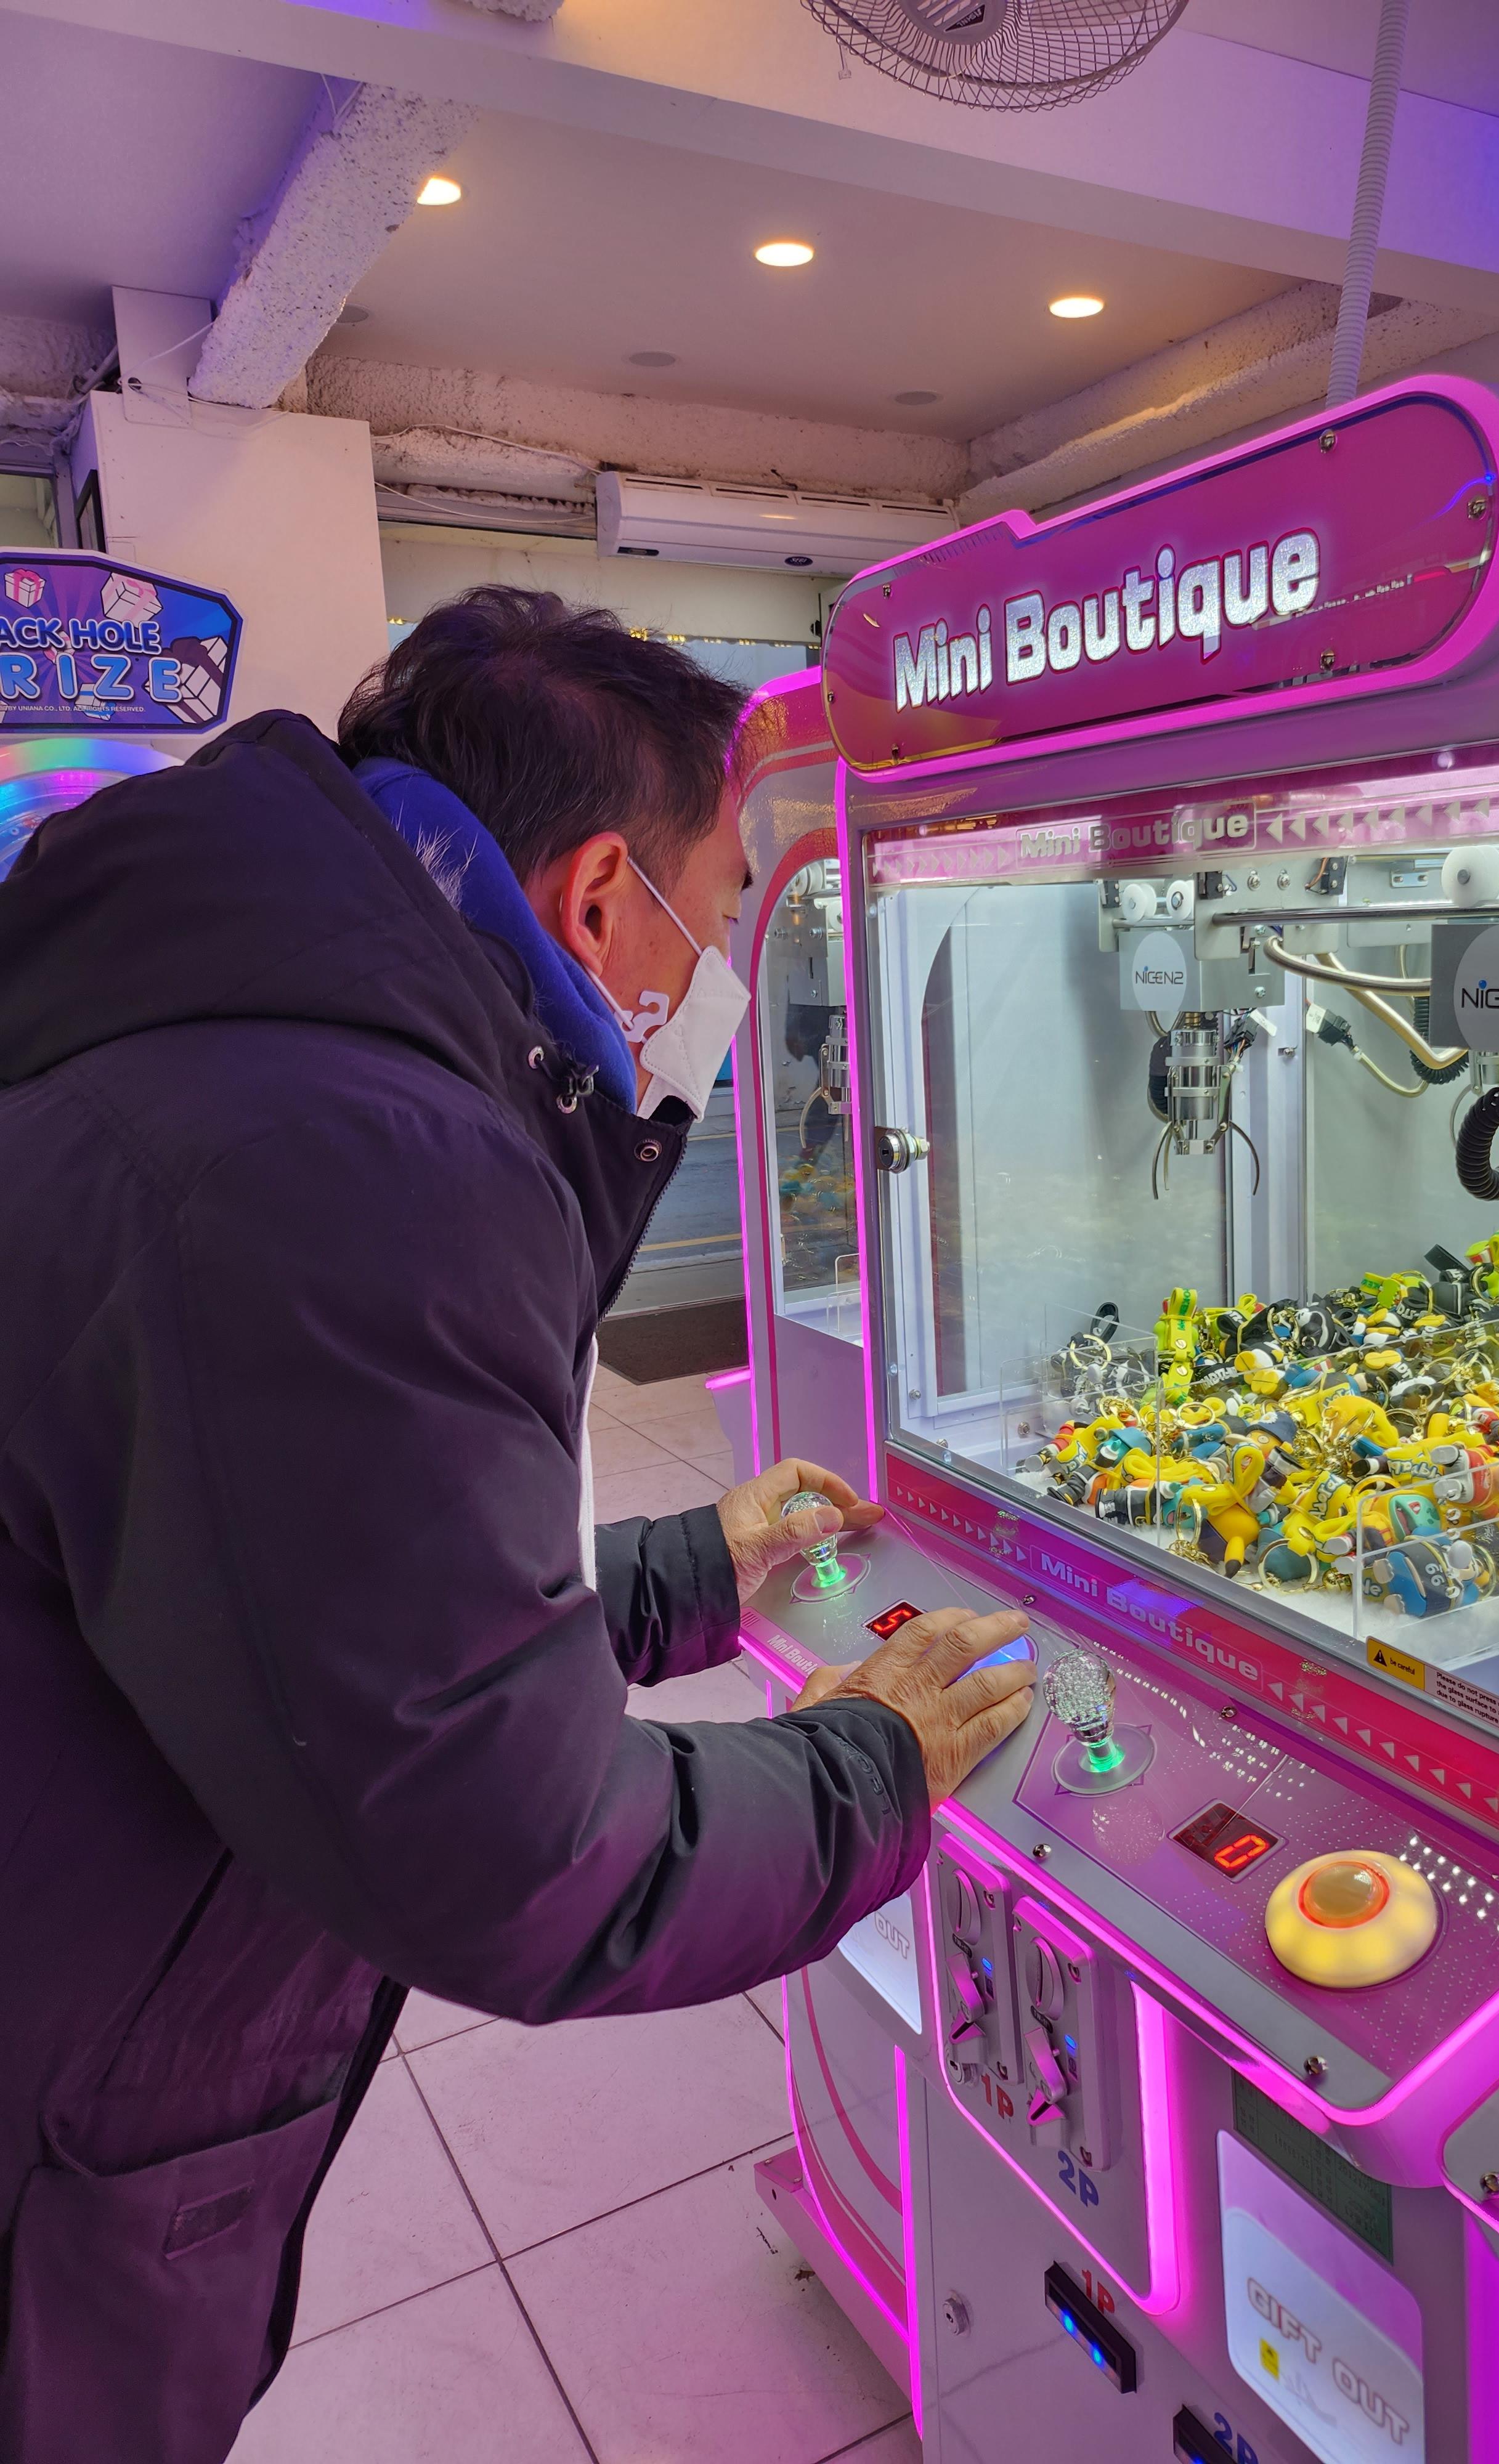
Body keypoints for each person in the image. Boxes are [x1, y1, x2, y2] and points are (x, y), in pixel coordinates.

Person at [0, 585, 1034, 2463]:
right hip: (52, 2159)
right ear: (600, 900)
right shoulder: (361, 1158)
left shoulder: (218, 1044)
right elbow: (514, 1852)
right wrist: (871, 1773)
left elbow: (293, 1583)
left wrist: (683, 1576)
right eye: (721, 909)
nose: (722, 980)